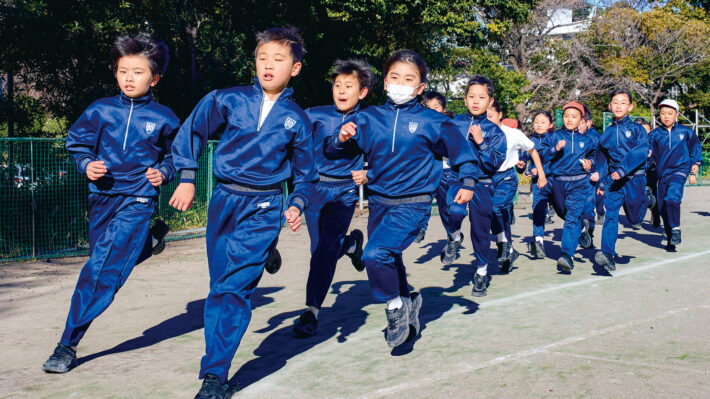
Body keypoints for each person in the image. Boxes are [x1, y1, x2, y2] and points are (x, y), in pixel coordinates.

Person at [169, 27, 317, 399]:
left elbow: (307, 176)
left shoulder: (297, 119)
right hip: (224, 200)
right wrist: (187, 177)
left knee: (232, 289)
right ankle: (262, 253)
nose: (269, 66)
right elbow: (191, 134)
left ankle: (216, 375)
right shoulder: (226, 99)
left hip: (265, 206)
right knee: (218, 284)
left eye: (279, 60)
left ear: (295, 68)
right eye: (262, 57)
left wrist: (297, 204)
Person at [42, 33, 177, 374]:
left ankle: (66, 345)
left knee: (100, 271)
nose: (129, 78)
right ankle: (150, 241)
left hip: (138, 199)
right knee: (104, 262)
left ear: (154, 78)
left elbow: (179, 156)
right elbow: (78, 144)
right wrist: (87, 164)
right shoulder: (100, 109)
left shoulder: (165, 117)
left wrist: (164, 171)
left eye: (138, 72)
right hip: (101, 199)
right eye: (122, 71)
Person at [331, 49, 476, 347]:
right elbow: (336, 152)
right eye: (395, 77)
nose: (400, 83)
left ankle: (395, 309)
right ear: (385, 82)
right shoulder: (368, 117)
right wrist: (341, 138)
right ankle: (408, 297)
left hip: (414, 203)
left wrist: (468, 180)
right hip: (380, 202)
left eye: (409, 79)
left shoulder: (433, 122)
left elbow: (463, 152)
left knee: (374, 254)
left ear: (420, 87)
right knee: (389, 256)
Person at [292, 59, 376, 337]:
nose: (341, 90)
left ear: (362, 92)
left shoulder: (369, 121)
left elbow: (384, 154)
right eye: (337, 85)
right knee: (320, 249)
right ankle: (352, 244)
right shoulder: (313, 114)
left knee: (325, 251)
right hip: (314, 188)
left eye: (348, 86)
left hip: (343, 192)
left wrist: (370, 173)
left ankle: (311, 312)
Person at [451, 75, 507, 296]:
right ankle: (454, 237)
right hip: (456, 182)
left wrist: (481, 141)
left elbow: (494, 163)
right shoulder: (454, 124)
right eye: (471, 96)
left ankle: (482, 272)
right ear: (464, 99)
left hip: (483, 185)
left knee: (480, 231)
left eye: (481, 97)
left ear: (490, 101)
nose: (476, 101)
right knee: (452, 211)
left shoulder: (495, 132)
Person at [595, 89, 655, 273]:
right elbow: (602, 158)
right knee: (610, 216)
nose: (618, 106)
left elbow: (642, 151)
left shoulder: (637, 129)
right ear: (610, 106)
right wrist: (602, 181)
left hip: (634, 179)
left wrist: (623, 169)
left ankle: (647, 199)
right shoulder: (607, 132)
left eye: (623, 102)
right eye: (615, 102)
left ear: (630, 106)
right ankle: (607, 254)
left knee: (635, 218)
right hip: (614, 182)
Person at [487, 100, 547, 273]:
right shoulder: (479, 132)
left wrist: (541, 175)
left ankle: (503, 243)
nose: (487, 119)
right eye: (484, 116)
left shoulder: (513, 133)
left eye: (490, 116)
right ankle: (510, 251)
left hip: (506, 178)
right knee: (500, 216)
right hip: (487, 180)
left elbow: (532, 150)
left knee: (495, 208)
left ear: (499, 115)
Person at [538, 102, 597, 272]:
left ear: (581, 119)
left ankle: (567, 255)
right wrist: (554, 149)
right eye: (566, 116)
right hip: (557, 183)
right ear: (562, 118)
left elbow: (593, 157)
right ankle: (583, 225)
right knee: (565, 215)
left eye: (574, 116)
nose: (570, 119)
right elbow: (541, 155)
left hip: (579, 183)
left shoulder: (587, 140)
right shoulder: (553, 136)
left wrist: (589, 163)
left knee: (572, 217)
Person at [648, 99, 703, 251]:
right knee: (662, 208)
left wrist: (696, 164)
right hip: (662, 174)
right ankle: (671, 236)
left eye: (670, 113)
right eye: (663, 113)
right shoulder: (654, 134)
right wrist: (649, 157)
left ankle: (676, 229)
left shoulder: (686, 132)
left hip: (680, 171)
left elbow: (695, 149)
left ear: (677, 115)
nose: (666, 116)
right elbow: (650, 155)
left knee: (672, 197)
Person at [413, 90, 456, 246]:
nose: (432, 111)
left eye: (436, 107)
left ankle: (452, 236)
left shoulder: (449, 126)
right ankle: (421, 228)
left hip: (446, 172)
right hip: (426, 171)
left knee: (446, 209)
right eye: (428, 107)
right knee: (422, 200)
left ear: (443, 109)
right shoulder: (418, 126)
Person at [527, 110, 555, 258]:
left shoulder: (554, 138)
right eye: (536, 122)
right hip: (539, 182)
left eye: (543, 122)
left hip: (555, 180)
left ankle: (582, 229)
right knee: (538, 209)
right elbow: (526, 159)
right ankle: (538, 241)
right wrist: (525, 168)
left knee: (565, 209)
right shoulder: (530, 141)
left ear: (550, 125)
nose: (539, 125)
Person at [635, 117, 661, 228]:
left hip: (651, 169)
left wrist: (653, 158)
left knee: (653, 192)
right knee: (638, 194)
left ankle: (655, 216)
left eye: (647, 130)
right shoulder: (635, 141)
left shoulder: (654, 139)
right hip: (638, 170)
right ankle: (638, 218)